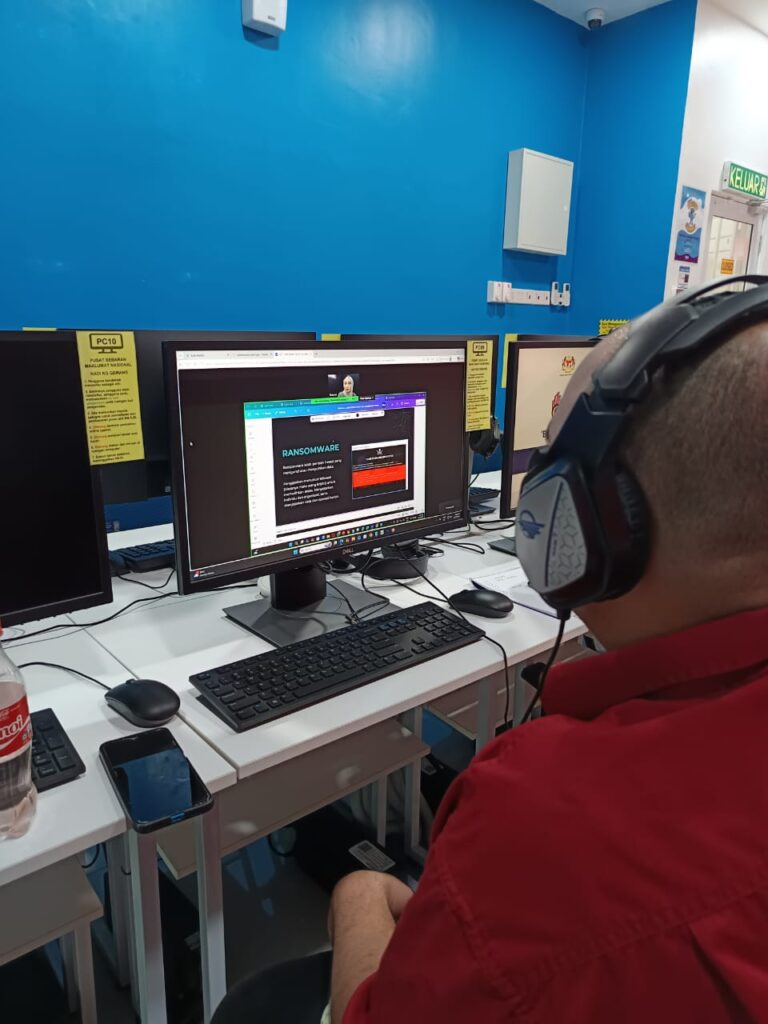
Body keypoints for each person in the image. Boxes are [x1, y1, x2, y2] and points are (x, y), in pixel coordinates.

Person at [212, 288, 768, 1023]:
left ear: (594, 524)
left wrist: (357, 898)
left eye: (549, 466)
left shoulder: (543, 816)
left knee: (354, 894)